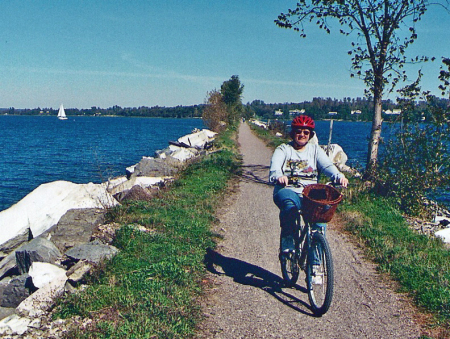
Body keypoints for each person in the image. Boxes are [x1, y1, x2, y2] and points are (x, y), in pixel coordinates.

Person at [269, 115, 349, 253]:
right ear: (293, 133)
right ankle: (288, 243)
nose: (302, 135)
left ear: (310, 135)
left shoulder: (315, 150)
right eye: (299, 131)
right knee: (289, 207)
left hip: (309, 194)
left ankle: (316, 265)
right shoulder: (283, 149)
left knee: (320, 221)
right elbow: (275, 167)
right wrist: (278, 176)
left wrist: (338, 176)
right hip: (288, 190)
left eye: (306, 132)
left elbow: (327, 166)